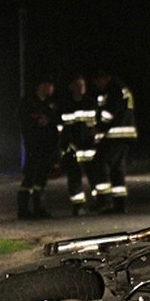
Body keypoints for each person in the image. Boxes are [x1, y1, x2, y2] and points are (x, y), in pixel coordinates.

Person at [90, 69, 138, 214]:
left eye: (97, 81)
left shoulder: (113, 89)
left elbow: (109, 113)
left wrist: (98, 127)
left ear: (103, 78)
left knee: (99, 162)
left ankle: (104, 201)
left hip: (115, 135)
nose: (97, 85)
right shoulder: (121, 88)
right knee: (117, 169)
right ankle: (119, 204)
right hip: (123, 135)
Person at [17, 74, 60, 219]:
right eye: (49, 86)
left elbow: (57, 121)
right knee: (30, 178)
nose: (52, 89)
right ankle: (23, 209)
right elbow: (23, 120)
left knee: (41, 179)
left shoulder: (51, 104)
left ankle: (38, 207)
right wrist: (36, 121)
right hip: (34, 147)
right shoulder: (29, 103)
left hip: (47, 147)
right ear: (42, 86)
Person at [58, 73, 98, 216]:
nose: (81, 88)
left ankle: (99, 203)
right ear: (72, 87)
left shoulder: (91, 103)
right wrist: (65, 146)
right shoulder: (66, 105)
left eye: (83, 85)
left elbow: (95, 126)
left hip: (89, 147)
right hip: (72, 148)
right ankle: (78, 206)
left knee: (95, 176)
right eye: (78, 85)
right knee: (74, 179)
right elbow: (63, 128)